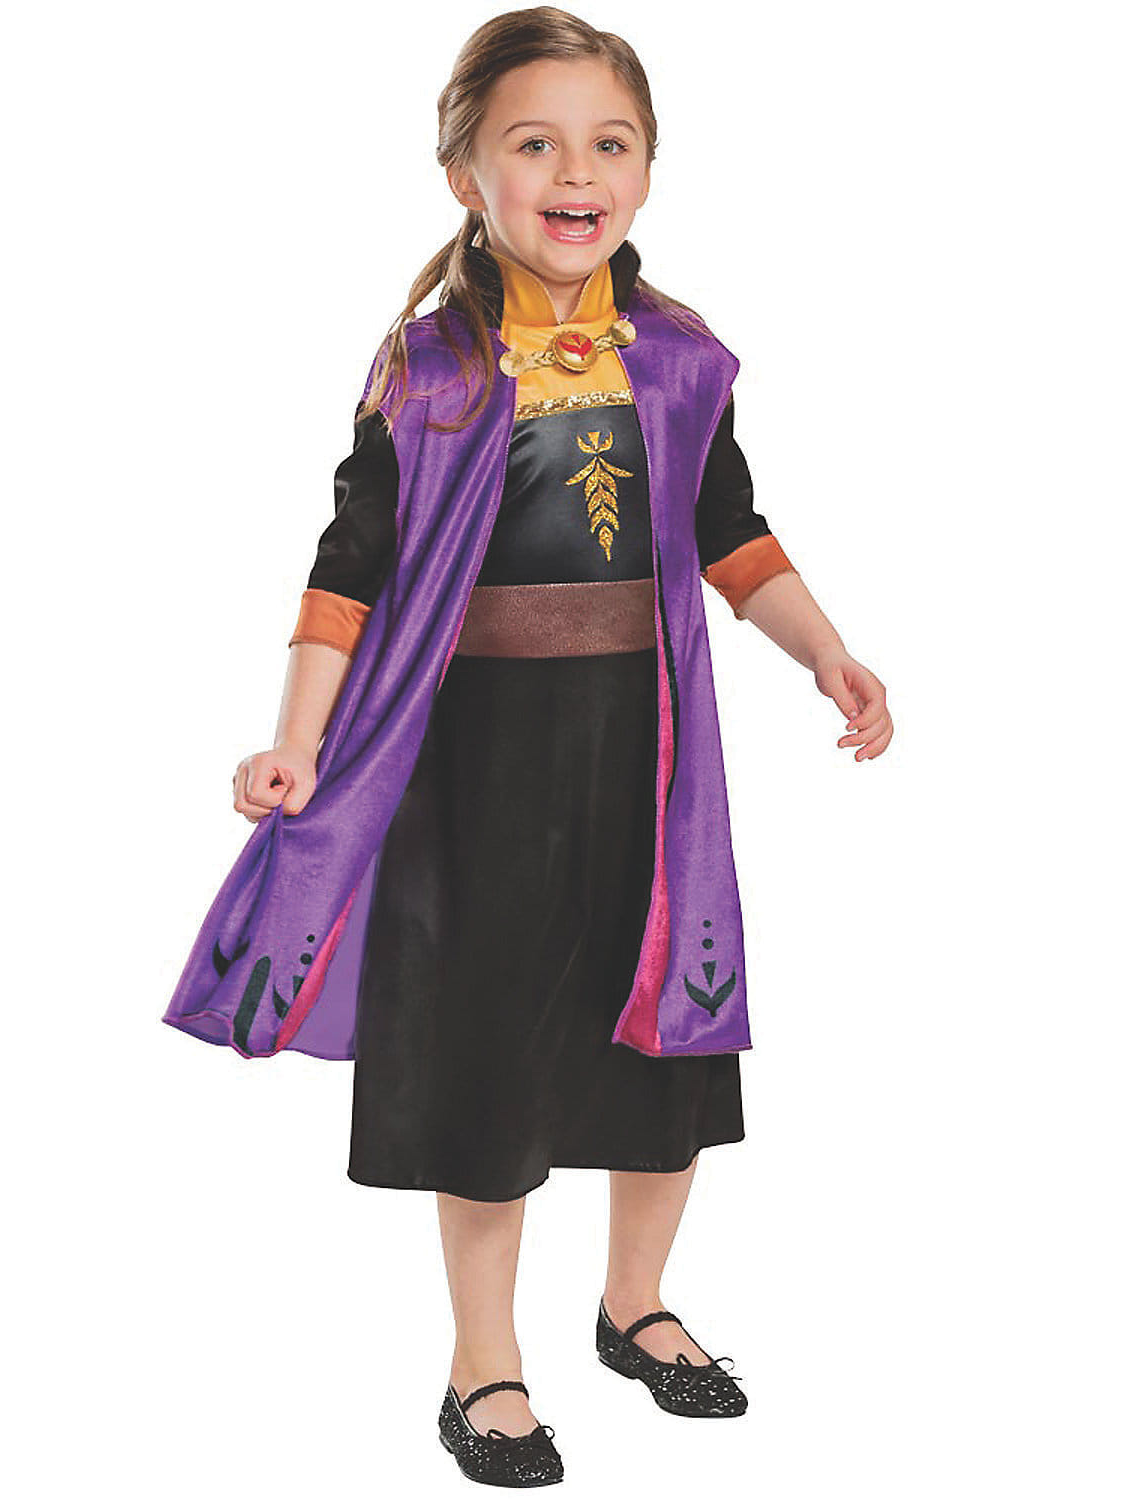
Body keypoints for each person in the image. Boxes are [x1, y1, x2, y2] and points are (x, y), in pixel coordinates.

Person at [171, 8, 893, 1487]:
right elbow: (349, 570)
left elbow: (730, 532)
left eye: (608, 144)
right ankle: (484, 1364)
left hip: (646, 759)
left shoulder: (677, 361)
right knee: (487, 1052)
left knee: (664, 1030)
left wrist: (825, 650)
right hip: (475, 769)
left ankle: (636, 1305)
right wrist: (294, 741)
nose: (577, 173)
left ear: (647, 169)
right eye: (535, 144)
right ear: (466, 174)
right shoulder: (429, 372)